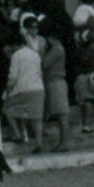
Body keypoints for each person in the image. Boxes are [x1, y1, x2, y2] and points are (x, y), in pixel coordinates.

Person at [3, 30, 44, 148]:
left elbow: (13, 77)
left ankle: (17, 134)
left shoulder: (16, 55)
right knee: (37, 118)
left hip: (23, 89)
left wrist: (7, 90)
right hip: (38, 88)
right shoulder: (35, 54)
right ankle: (39, 144)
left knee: (7, 108)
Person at [39, 16, 70, 152]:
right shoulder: (56, 48)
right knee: (60, 115)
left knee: (62, 115)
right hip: (54, 82)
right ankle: (63, 142)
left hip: (56, 82)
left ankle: (64, 143)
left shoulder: (57, 49)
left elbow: (44, 63)